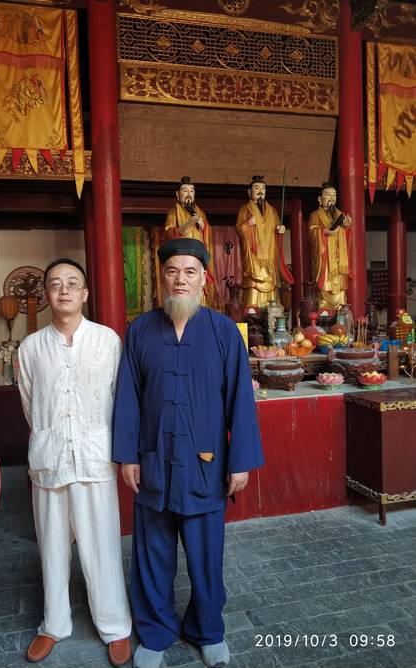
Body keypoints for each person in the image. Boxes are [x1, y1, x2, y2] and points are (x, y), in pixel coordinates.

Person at [113, 238, 263, 668]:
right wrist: (127, 455)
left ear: (204, 280)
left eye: (190, 272)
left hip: (205, 466)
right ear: (161, 278)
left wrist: (240, 462)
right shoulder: (140, 330)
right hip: (154, 462)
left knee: (205, 558)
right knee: (152, 555)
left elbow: (240, 401)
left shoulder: (224, 332)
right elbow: (128, 398)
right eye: (172, 271)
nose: (180, 279)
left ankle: (207, 630)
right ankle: (156, 633)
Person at [18, 258, 132, 666]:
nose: (63, 290)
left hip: (95, 456)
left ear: (84, 293)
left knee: (102, 546)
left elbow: (120, 398)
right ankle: (54, 624)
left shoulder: (107, 341)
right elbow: (30, 404)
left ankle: (115, 626)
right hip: (49, 460)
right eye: (55, 284)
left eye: (71, 283)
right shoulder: (30, 348)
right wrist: (52, 437)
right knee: (51, 547)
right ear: (47, 295)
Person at [236, 175, 294, 308]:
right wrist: (247, 224)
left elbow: (277, 228)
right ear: (249, 192)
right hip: (254, 258)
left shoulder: (272, 211)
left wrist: (280, 229)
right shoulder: (245, 209)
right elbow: (239, 230)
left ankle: (273, 306)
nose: (260, 191)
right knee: (253, 289)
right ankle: (252, 307)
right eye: (257, 188)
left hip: (269, 257)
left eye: (263, 188)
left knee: (271, 290)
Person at [165, 176, 218, 308]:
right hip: (182, 258)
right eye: (185, 191)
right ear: (177, 194)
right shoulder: (173, 212)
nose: (189, 194)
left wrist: (203, 226)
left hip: (198, 258)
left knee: (199, 286)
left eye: (191, 191)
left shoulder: (200, 213)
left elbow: (208, 234)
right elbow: (169, 232)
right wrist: (188, 224)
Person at [308, 182, 353, 311]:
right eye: (328, 195)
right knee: (325, 290)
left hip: (339, 262)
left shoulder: (340, 215)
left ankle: (341, 313)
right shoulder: (315, 215)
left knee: (340, 290)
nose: (332, 198)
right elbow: (312, 233)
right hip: (325, 261)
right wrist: (324, 232)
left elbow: (347, 241)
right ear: (320, 199)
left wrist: (347, 228)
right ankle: (323, 312)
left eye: (334, 195)